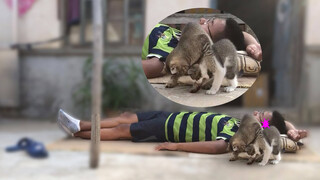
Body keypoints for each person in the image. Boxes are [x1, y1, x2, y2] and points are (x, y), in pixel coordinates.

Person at [57, 109, 308, 154]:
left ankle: (79, 129)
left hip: (171, 128)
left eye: (260, 117)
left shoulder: (238, 135)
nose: (256, 114)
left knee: (124, 129)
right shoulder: (240, 123)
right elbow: (277, 125)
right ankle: (78, 126)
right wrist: (292, 131)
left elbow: (217, 147)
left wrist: (176, 145)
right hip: (171, 115)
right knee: (125, 117)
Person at [142, 17, 262, 78]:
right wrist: (253, 45)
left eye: (208, 24)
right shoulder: (182, 36)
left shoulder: (175, 53)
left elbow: (152, 67)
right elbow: (241, 36)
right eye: (208, 20)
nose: (202, 20)